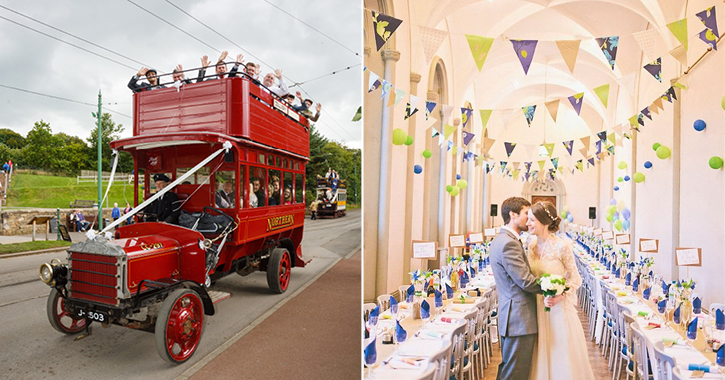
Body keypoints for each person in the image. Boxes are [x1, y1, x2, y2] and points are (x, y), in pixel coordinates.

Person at [526, 201, 595, 380]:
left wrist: (560, 295)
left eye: (532, 220)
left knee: (560, 353)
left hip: (558, 310)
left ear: (544, 222)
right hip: (536, 307)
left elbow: (576, 278)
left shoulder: (562, 246)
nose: (528, 223)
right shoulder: (530, 246)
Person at [489, 197, 544, 380]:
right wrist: (553, 287)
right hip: (519, 318)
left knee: (511, 370)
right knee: (515, 373)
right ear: (513, 215)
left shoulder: (503, 239)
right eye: (526, 214)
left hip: (512, 316)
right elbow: (525, 281)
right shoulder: (508, 243)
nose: (529, 220)